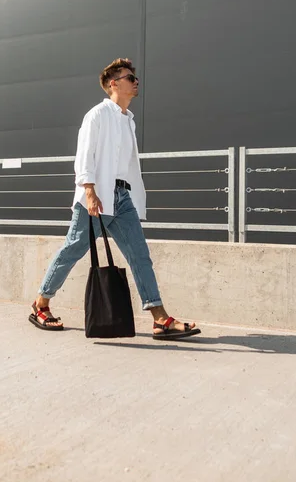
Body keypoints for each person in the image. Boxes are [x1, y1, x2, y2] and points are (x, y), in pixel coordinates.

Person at [29, 58, 201, 340]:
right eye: (129, 77)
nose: (136, 81)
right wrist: (89, 191)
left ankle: (160, 319)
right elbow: (84, 155)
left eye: (135, 77)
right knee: (73, 249)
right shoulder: (97, 115)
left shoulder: (127, 121)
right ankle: (41, 304)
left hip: (122, 197)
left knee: (140, 256)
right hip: (96, 195)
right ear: (113, 84)